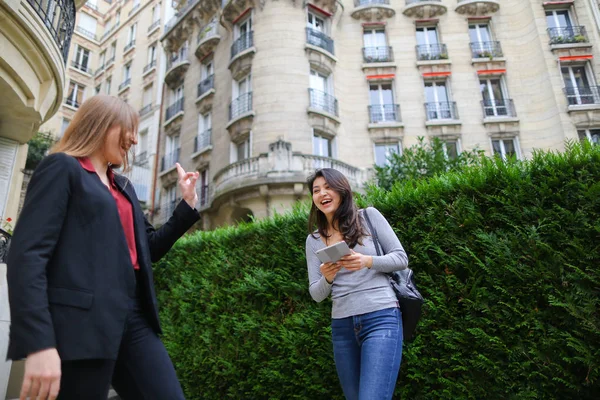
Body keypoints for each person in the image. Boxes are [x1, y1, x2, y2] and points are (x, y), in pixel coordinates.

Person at [6, 95, 200, 400]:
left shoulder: (123, 186)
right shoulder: (62, 168)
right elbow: (28, 255)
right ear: (102, 124)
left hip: (133, 318)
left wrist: (185, 206)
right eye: (129, 129)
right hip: (80, 323)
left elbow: (146, 251)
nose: (135, 139)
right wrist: (39, 343)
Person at [305, 168, 409, 400]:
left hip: (381, 317)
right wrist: (328, 277)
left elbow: (401, 258)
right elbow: (316, 294)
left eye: (328, 187)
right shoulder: (312, 240)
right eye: (316, 190)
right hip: (342, 327)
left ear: (342, 190)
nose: (322, 193)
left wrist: (366, 261)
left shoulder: (369, 217)